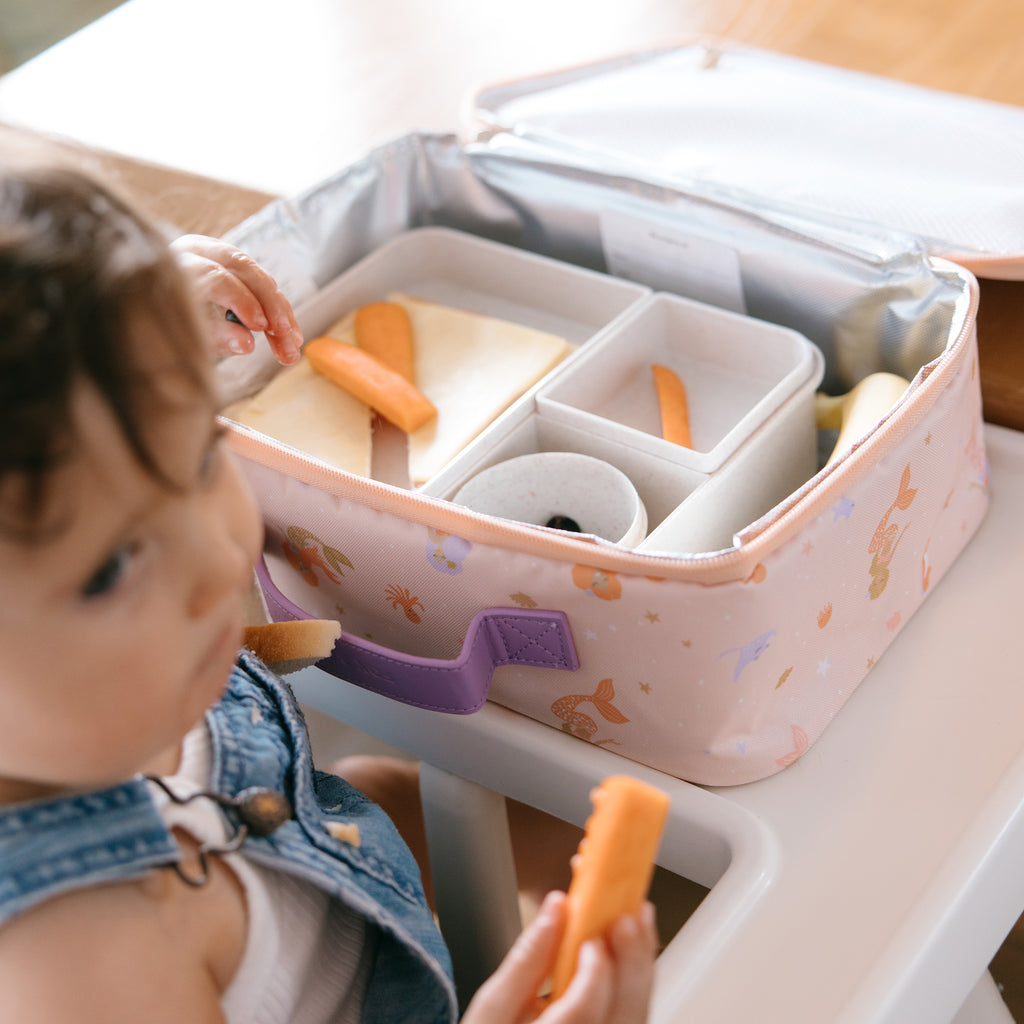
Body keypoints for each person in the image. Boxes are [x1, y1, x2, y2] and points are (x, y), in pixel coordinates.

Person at [0, 152, 657, 1023]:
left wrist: (153, 313)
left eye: (199, 455)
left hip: (310, 838)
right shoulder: (78, 972)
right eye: (112, 567)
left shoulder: (89, 697)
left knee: (416, 796)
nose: (216, 559)